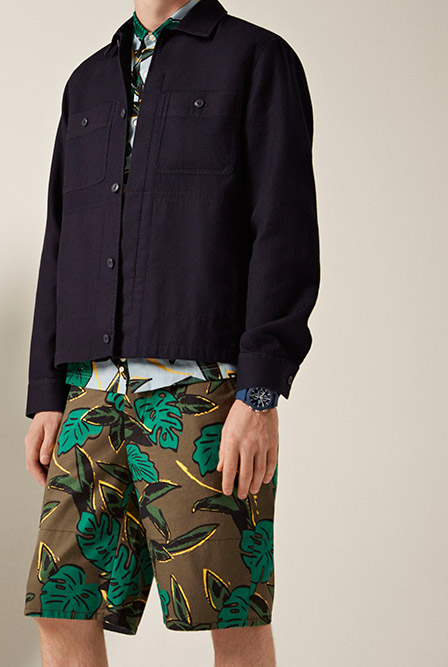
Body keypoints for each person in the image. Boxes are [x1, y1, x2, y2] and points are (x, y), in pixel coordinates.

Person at [22, 0, 318, 664]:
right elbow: (60, 241)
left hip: (204, 396)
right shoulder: (89, 81)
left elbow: (285, 230)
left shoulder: (256, 58)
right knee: (62, 610)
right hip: (90, 395)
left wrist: (261, 393)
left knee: (231, 616)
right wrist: (46, 392)